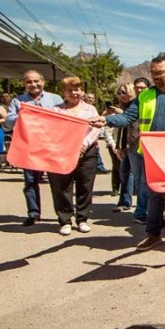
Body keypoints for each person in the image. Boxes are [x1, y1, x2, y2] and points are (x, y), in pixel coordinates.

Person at [93, 54, 165, 253]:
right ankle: (153, 234)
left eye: (160, 73)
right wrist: (107, 121)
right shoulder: (144, 96)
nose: (156, 77)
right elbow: (127, 118)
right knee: (154, 194)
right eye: (153, 73)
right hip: (151, 153)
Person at [5, 70, 64, 226]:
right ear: (24, 84)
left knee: (57, 183)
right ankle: (33, 213)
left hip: (51, 146)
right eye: (29, 82)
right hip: (29, 147)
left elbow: (63, 118)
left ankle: (62, 215)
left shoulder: (55, 99)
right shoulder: (18, 101)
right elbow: (9, 122)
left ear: (43, 82)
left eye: (36, 81)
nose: (33, 84)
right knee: (30, 182)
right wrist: (26, 114)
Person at [49, 77, 101, 235]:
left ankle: (82, 219)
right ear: (63, 92)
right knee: (62, 186)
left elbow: (96, 128)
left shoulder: (90, 109)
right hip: (63, 152)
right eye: (70, 90)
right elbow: (53, 129)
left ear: (82, 91)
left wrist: (84, 144)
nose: (74, 93)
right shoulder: (56, 110)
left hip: (87, 151)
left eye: (77, 89)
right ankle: (65, 220)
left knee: (85, 185)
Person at [126, 78, 151, 224]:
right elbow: (125, 124)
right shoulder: (132, 104)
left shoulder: (151, 103)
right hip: (133, 147)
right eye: (137, 88)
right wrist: (120, 145)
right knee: (137, 180)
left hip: (148, 147)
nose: (140, 90)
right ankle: (142, 210)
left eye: (142, 88)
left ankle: (142, 211)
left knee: (145, 181)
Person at [108, 83, 135, 212]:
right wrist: (118, 146)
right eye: (119, 93)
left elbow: (136, 122)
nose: (121, 96)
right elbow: (119, 131)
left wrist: (122, 113)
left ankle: (133, 204)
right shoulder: (122, 107)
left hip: (136, 144)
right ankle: (124, 201)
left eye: (124, 92)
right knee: (124, 172)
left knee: (135, 175)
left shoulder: (136, 106)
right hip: (124, 144)